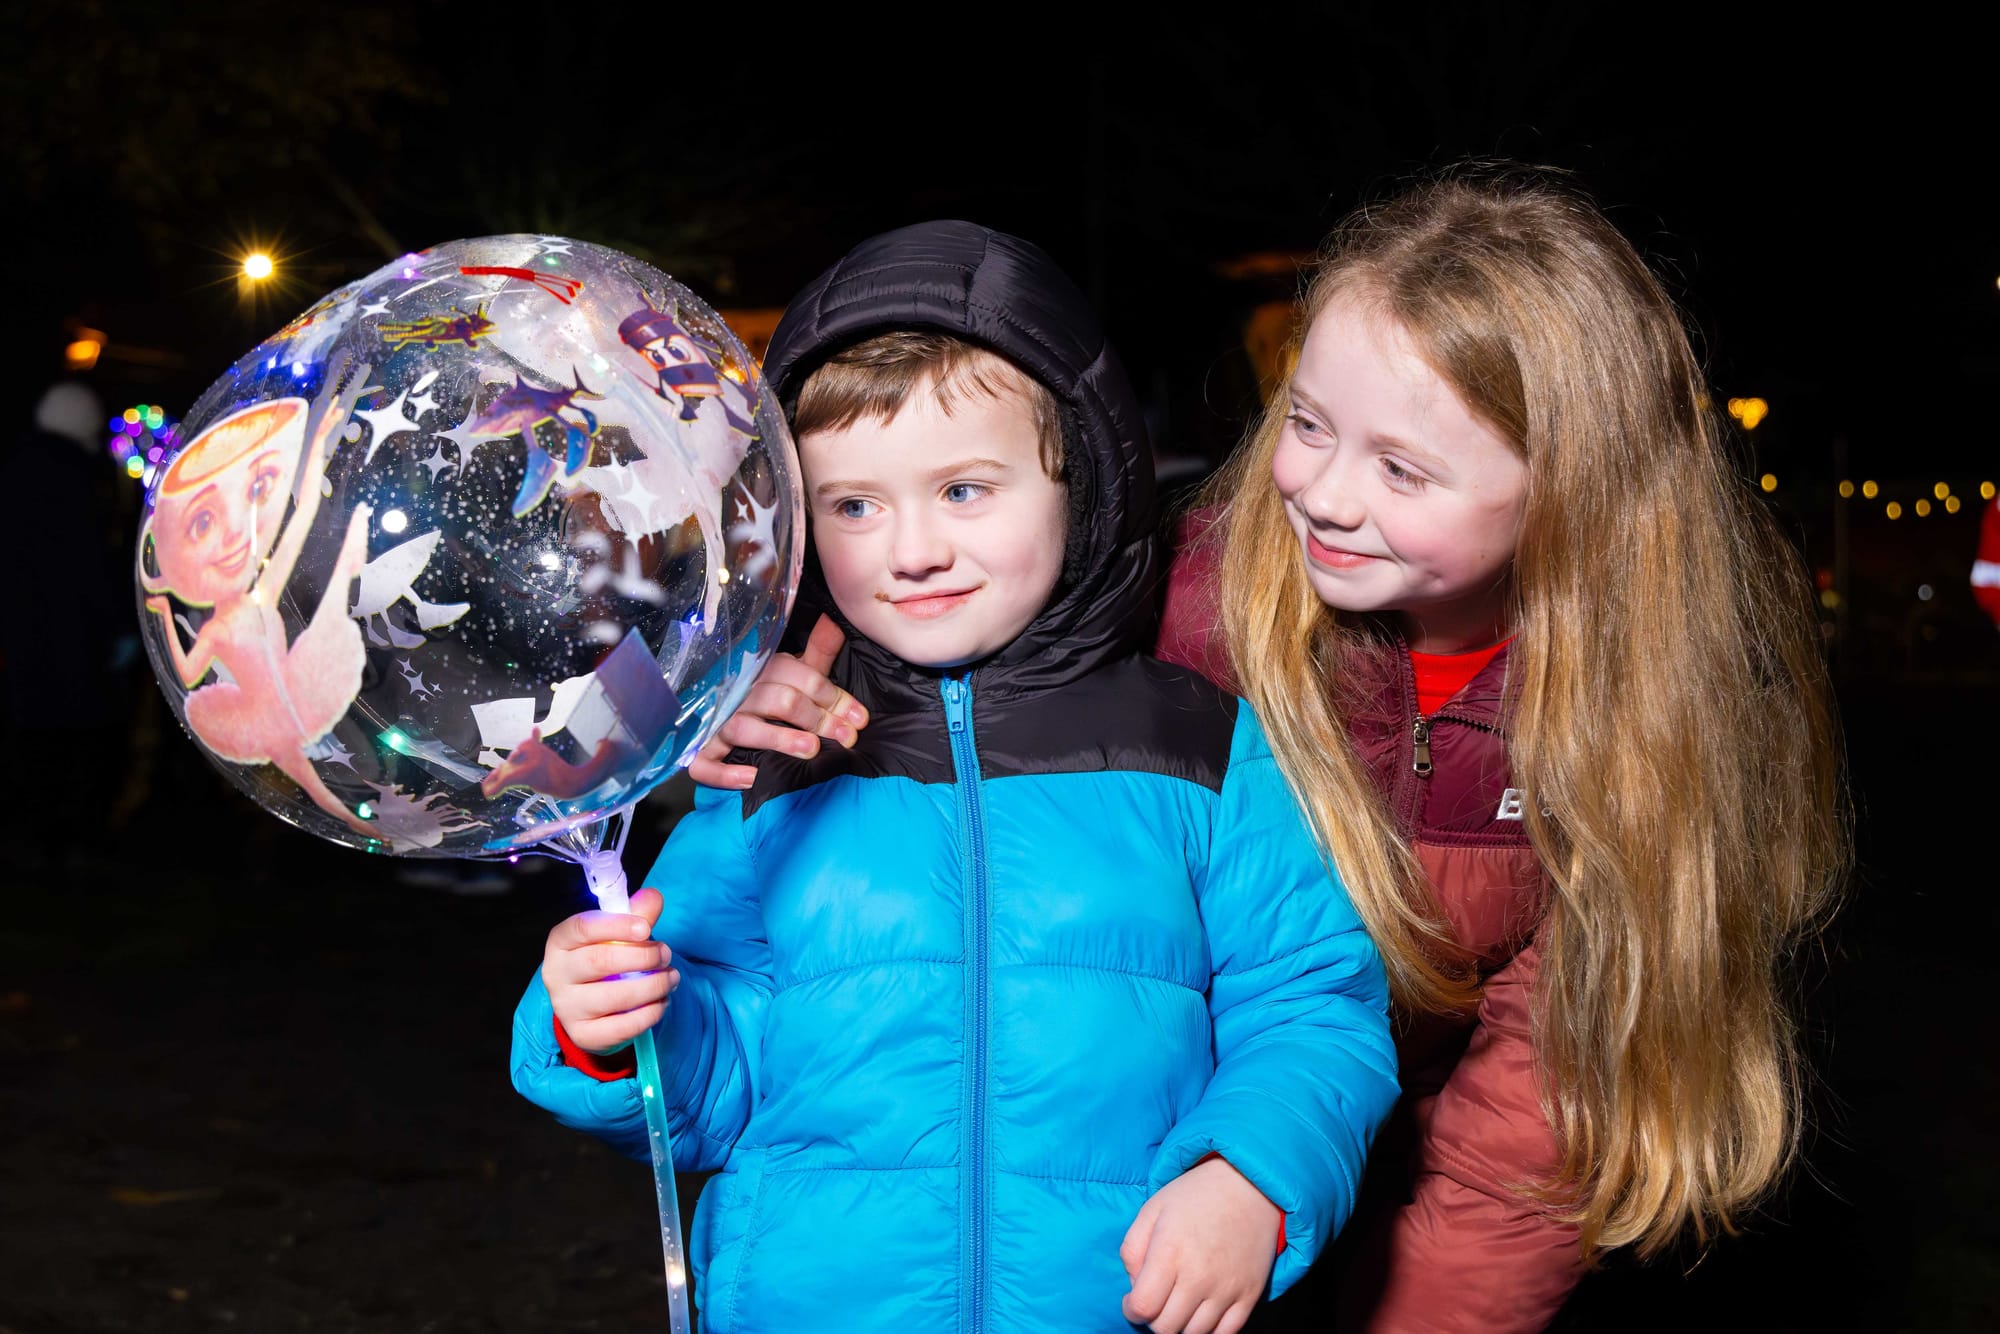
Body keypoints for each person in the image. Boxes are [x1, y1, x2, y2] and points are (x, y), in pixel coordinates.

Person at [694, 170, 1848, 1331]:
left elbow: (1526, 1136)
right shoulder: (1189, 601)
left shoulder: (1651, 731)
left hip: (1360, 1151)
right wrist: (773, 684)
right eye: (1304, 423)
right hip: (1144, 1182)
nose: (1322, 496)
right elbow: (974, 659)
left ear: (1571, 493)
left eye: (1401, 468)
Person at [510, 220, 1399, 1334]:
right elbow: (713, 1084)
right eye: (853, 505)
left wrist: (1248, 1174)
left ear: (1080, 481)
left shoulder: (1198, 744)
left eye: (965, 490)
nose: (911, 549)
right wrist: (606, 1028)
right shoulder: (768, 764)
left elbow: (1312, 1003)